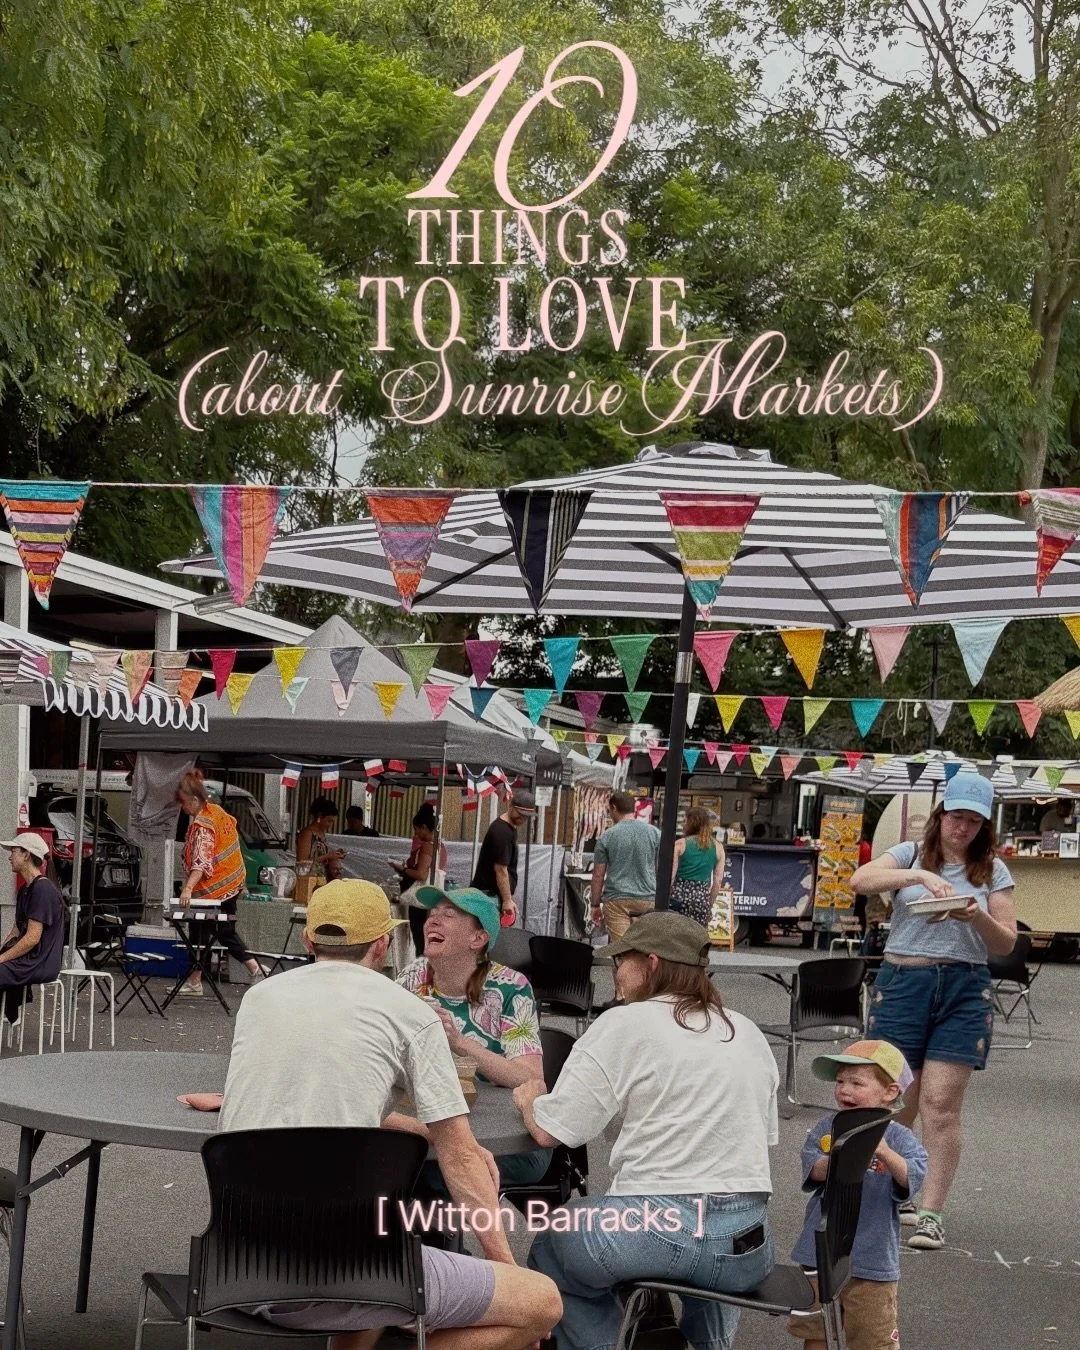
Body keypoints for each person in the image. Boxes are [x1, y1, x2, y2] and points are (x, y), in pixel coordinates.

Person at [180, 879, 561, 1350]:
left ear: (307, 940)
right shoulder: (408, 1009)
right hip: (353, 1272)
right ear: (383, 944)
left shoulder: (259, 1000)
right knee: (541, 1302)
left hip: (237, 1268)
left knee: (381, 1267)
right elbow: (461, 1160)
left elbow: (340, 1103)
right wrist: (504, 1266)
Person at [515, 911, 779, 1350]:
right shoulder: (746, 1030)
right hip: (746, 1243)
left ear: (652, 964)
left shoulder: (623, 1023)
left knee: (554, 1241)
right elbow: (753, 1139)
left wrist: (529, 1100)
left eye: (622, 960)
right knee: (711, 1265)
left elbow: (551, 1132)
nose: (616, 971)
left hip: (656, 1228)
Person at [849, 771, 1017, 1252]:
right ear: (941, 815)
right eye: (955, 817)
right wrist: (922, 875)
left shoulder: (994, 870)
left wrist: (975, 913)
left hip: (964, 985)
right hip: (904, 980)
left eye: (972, 821)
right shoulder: (908, 853)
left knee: (941, 1108)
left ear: (984, 826)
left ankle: (931, 1212)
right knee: (897, 1098)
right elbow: (861, 880)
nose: (961, 828)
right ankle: (893, 1192)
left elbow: (1006, 941)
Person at [398, 885, 551, 1189]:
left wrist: (459, 1041)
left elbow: (529, 1078)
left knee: (420, 1172)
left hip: (509, 1139)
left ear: (478, 939)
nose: (433, 921)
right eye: (432, 914)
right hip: (433, 1124)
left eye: (449, 915)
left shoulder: (510, 987)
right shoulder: (412, 977)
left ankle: (430, 1235)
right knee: (394, 1162)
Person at [787, 1040, 928, 1350]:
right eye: (840, 1081)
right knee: (817, 1332)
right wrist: (839, 1154)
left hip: (872, 1259)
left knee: (872, 1337)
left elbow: (912, 1179)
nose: (843, 1090)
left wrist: (884, 1152)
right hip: (820, 1253)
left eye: (856, 1082)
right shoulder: (827, 1127)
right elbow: (813, 1169)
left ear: (890, 1092)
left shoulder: (899, 1137)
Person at [175, 770, 264, 996]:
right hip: (231, 881)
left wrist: (187, 888)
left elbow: (202, 863)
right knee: (203, 931)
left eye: (184, 803)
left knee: (218, 931)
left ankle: (255, 967)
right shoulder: (217, 812)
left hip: (216, 888)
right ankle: (196, 979)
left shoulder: (204, 825)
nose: (182, 808)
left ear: (195, 800)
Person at [0, 832, 65, 1023]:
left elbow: (32, 938)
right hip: (27, 959)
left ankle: (9, 1012)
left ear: (26, 854)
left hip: (40, 962)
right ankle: (10, 1012)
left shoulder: (42, 889)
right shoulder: (25, 889)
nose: (10, 857)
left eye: (14, 851)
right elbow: (16, 931)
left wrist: (2, 958)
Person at [589, 792, 660, 941]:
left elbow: (598, 875)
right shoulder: (655, 834)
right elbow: (662, 868)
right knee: (643, 946)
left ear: (613, 808)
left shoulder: (607, 836)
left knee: (622, 948)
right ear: (633, 808)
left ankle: (624, 965)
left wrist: (595, 905)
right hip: (647, 897)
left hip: (617, 899)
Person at [472, 788, 535, 926]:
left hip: (491, 895)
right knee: (488, 940)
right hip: (488, 896)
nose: (523, 818)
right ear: (510, 805)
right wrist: (507, 900)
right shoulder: (502, 831)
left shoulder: (508, 829)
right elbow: (501, 869)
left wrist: (507, 898)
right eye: (520, 813)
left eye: (526, 816)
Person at [392, 803, 449, 957]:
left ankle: (421, 968)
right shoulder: (441, 846)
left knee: (420, 938)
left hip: (422, 898)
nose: (416, 834)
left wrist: (402, 869)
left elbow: (421, 875)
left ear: (424, 827)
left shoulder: (427, 847)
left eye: (416, 829)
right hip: (436, 896)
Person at [670, 807, 725, 928]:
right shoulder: (718, 847)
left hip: (678, 898)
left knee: (676, 940)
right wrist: (708, 905)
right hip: (701, 900)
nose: (683, 825)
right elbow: (718, 881)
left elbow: (671, 877)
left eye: (685, 821)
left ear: (692, 823)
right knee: (697, 942)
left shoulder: (680, 844)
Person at [296, 796, 346, 882]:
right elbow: (302, 862)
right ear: (319, 817)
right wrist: (327, 856)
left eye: (332, 822)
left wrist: (334, 857)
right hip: (308, 880)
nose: (330, 825)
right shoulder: (307, 833)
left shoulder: (323, 834)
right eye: (329, 821)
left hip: (322, 879)